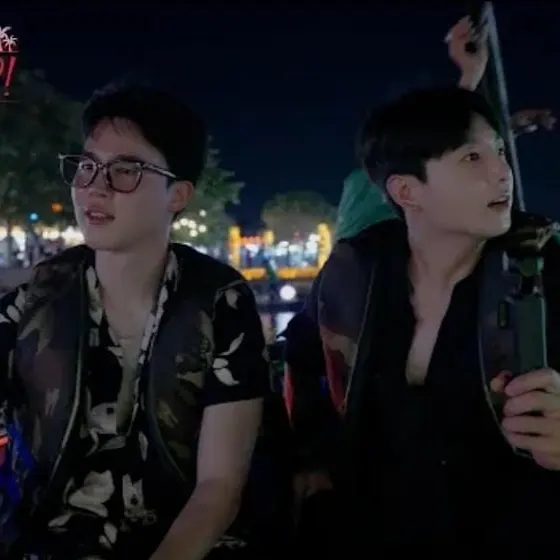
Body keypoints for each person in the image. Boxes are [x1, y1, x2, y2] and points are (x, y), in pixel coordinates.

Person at [284, 85, 560, 555]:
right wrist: (310, 465)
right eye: (472, 158)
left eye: (498, 151)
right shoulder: (357, 272)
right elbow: (302, 359)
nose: (502, 171)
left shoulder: (543, 274)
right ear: (406, 191)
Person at [0, 82, 271, 559]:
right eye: (87, 166)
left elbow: (218, 488)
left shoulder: (220, 303)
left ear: (177, 195)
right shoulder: (30, 308)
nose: (95, 187)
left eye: (126, 170)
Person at [333, 16, 555, 242]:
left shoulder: (374, 182)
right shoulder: (371, 191)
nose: (503, 173)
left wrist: (506, 125)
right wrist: (470, 75)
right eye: (471, 157)